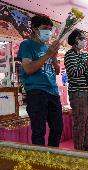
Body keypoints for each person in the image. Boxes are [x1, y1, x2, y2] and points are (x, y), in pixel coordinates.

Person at [17, 15, 63, 147]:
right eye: (45, 28)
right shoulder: (27, 45)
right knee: (39, 131)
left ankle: (53, 157)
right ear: (35, 29)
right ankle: (41, 162)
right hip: (36, 92)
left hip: (53, 92)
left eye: (50, 29)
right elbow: (28, 69)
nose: (48, 32)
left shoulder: (48, 47)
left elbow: (57, 71)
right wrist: (48, 54)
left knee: (57, 128)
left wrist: (53, 56)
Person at [64, 29, 88, 151]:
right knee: (80, 122)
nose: (84, 41)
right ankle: (79, 148)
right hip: (78, 92)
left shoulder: (85, 55)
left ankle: (86, 144)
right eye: (82, 38)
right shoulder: (69, 55)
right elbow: (74, 73)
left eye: (84, 38)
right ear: (75, 40)